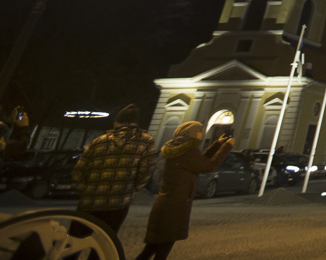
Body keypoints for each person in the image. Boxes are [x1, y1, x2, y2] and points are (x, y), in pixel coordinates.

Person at [136, 121, 234, 260]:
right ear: (192, 134)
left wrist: (217, 145)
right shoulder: (188, 152)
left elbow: (199, 161)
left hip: (165, 204)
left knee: (151, 249)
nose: (202, 133)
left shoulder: (178, 149)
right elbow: (208, 166)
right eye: (200, 131)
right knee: (160, 251)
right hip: (175, 206)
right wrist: (227, 147)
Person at [73, 104, 157, 237]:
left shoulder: (99, 140)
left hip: (90, 201)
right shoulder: (145, 141)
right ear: (135, 123)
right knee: (105, 244)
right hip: (119, 202)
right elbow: (146, 171)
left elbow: (79, 170)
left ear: (116, 122)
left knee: (74, 241)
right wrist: (130, 189)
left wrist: (85, 189)